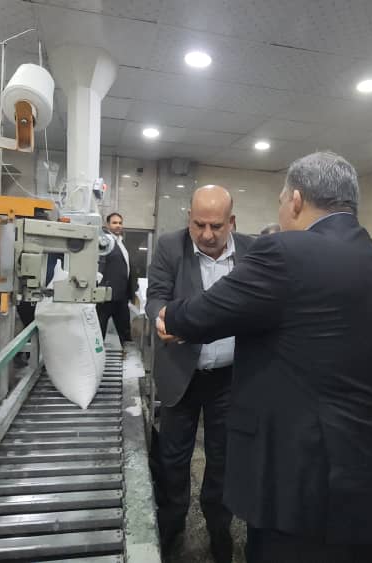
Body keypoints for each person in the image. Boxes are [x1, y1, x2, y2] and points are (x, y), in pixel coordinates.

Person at [158, 152, 372, 563]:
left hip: (304, 481)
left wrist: (170, 317)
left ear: (296, 200)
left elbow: (194, 316)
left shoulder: (284, 251)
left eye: (281, 201)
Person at [145, 185, 254, 562]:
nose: (207, 234)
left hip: (230, 379)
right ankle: (171, 530)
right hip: (182, 375)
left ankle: (219, 531)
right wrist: (162, 318)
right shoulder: (170, 247)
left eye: (216, 226)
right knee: (173, 461)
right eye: (198, 224)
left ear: (232, 222)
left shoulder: (252, 251)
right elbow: (156, 296)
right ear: (189, 219)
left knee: (223, 461)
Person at [97, 212, 132, 345]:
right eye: (114, 223)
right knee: (99, 333)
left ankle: (128, 356)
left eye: (120, 223)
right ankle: (96, 356)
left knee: (126, 334)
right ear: (107, 225)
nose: (118, 225)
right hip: (106, 297)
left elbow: (126, 268)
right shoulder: (104, 242)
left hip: (121, 297)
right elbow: (100, 265)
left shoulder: (121, 243)